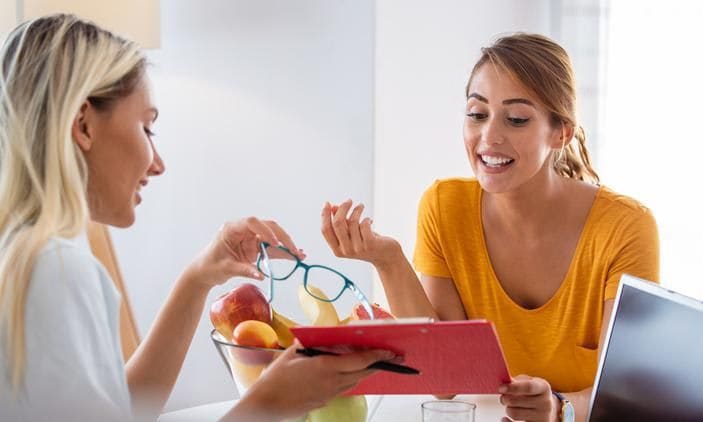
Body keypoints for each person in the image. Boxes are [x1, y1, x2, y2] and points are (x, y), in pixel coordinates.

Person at [0, 14, 393, 422]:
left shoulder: (28, 257)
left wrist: (198, 278)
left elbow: (121, 409)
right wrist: (272, 403)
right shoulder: (58, 272)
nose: (158, 164)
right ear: (83, 124)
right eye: (147, 128)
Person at [320, 33, 659, 422]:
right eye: (477, 114)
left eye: (516, 119)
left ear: (560, 132)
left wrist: (558, 408)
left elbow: (626, 396)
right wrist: (388, 260)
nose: (489, 137)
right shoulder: (444, 207)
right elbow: (444, 378)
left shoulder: (626, 227)